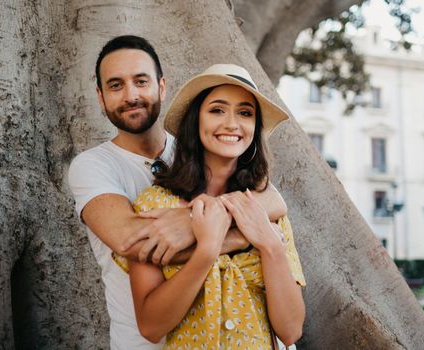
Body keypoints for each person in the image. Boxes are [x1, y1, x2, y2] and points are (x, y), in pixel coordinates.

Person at [68, 36, 289, 349]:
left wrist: (193, 222)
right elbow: (132, 241)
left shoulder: (201, 147)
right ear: (100, 97)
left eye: (140, 81)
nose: (131, 95)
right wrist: (240, 236)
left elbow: (272, 200)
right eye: (116, 86)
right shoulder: (93, 166)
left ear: (161, 86)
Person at [121, 64, 306, 349]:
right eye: (217, 110)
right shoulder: (154, 204)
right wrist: (205, 251)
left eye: (245, 113)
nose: (232, 123)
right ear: (196, 121)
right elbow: (150, 326)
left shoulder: (265, 209)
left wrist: (270, 245)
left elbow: (291, 330)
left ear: (254, 129)